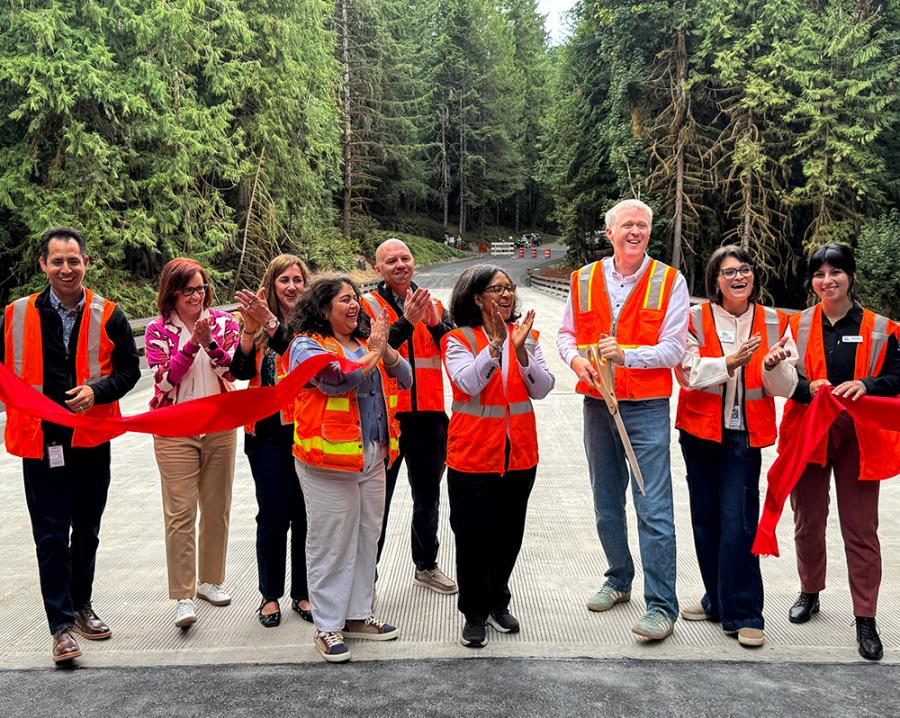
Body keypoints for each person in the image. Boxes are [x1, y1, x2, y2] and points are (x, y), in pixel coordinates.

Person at [0, 227, 140, 663]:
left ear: (85, 263)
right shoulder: (15, 315)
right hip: (39, 443)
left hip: (90, 440)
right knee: (50, 535)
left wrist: (97, 393)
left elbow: (129, 372)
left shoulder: (109, 314)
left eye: (73, 260)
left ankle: (82, 606)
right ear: (43, 264)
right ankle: (60, 627)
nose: (66, 268)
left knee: (88, 531)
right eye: (57, 261)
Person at [557, 198, 689, 641]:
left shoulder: (669, 281)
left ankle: (661, 605)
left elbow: (673, 348)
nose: (636, 232)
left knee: (653, 504)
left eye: (643, 226)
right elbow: (565, 335)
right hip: (598, 402)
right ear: (609, 231)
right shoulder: (584, 278)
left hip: (646, 406)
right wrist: (576, 362)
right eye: (627, 225)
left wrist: (627, 354)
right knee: (605, 501)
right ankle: (618, 577)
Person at [779, 244, 900, 661]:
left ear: (850, 275)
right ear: (811, 281)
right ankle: (810, 591)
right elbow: (783, 380)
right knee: (807, 519)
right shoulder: (796, 325)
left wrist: (867, 384)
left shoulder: (883, 328)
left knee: (861, 528)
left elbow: (897, 378)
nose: (827, 281)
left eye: (836, 273)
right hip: (811, 431)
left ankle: (865, 616)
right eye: (819, 274)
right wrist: (804, 386)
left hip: (859, 436)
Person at [674, 246, 797, 648]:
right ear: (715, 281)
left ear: (754, 277)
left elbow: (786, 387)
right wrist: (728, 363)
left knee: (739, 523)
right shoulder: (694, 317)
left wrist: (771, 365)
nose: (738, 277)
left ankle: (745, 612)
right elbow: (687, 372)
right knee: (706, 520)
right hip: (699, 431)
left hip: (745, 436)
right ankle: (716, 599)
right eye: (729, 272)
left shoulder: (776, 322)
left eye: (745, 270)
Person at [289, 275, 411, 663]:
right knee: (331, 541)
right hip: (328, 462)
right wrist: (374, 354)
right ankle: (327, 625)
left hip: (372, 456)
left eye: (356, 298)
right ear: (324, 308)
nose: (354, 304)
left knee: (365, 538)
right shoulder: (305, 345)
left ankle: (358, 615)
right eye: (345, 299)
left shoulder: (363, 343)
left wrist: (384, 352)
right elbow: (335, 381)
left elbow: (405, 377)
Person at [442, 265, 554, 648]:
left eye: (509, 288)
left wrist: (520, 352)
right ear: (477, 297)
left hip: (519, 457)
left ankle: (496, 601)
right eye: (496, 289)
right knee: (473, 539)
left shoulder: (527, 336)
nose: (506, 296)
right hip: (472, 457)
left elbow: (542, 388)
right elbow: (467, 383)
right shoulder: (458, 339)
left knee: (508, 537)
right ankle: (474, 613)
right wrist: (494, 347)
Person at [144, 258, 240, 629]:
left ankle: (211, 580)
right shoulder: (157, 331)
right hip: (174, 427)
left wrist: (209, 342)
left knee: (216, 507)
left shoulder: (224, 323)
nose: (196, 297)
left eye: (201, 289)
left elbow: (230, 370)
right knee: (180, 514)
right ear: (172, 293)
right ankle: (183, 596)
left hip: (218, 425)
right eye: (188, 291)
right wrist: (190, 347)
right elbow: (164, 381)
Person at [361, 238, 457, 595]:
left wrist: (434, 325)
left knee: (428, 497)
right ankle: (365, 575)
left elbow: (453, 351)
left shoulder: (433, 302)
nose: (400, 265)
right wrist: (406, 321)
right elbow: (369, 353)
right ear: (378, 268)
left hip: (430, 415)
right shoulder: (368, 306)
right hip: (386, 418)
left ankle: (426, 565)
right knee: (376, 501)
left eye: (405, 258)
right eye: (391, 261)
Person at [230, 255, 313, 628]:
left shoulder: (315, 321)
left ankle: (304, 592)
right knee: (274, 515)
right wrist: (250, 330)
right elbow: (241, 371)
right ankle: (269, 595)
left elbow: (299, 357)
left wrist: (269, 321)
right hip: (265, 434)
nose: (292, 286)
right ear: (272, 284)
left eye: (298, 279)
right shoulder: (253, 323)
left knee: (306, 515)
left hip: (308, 429)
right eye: (284, 280)